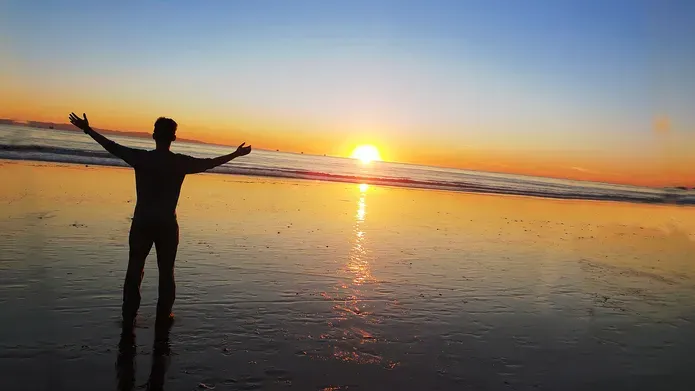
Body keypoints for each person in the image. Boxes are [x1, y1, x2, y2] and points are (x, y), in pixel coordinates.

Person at [68, 113, 252, 328]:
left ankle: (129, 317)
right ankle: (164, 317)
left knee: (134, 271)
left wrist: (88, 130)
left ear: (154, 135)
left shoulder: (141, 158)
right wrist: (235, 154)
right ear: (173, 138)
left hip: (142, 223)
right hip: (166, 225)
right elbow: (210, 163)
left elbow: (112, 146)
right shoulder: (180, 163)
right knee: (166, 273)